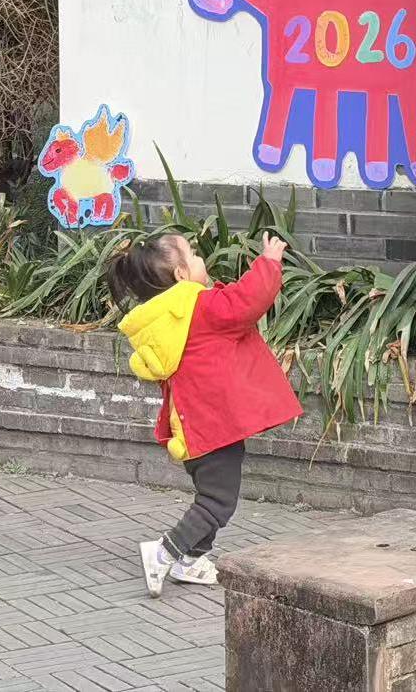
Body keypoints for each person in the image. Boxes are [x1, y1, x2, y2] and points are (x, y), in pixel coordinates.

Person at [111, 231, 302, 597]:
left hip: (195, 427)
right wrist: (268, 263)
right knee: (217, 502)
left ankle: (191, 560)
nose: (202, 259)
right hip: (214, 427)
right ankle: (164, 552)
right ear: (182, 274)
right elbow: (247, 301)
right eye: (194, 254)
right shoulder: (200, 307)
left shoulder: (166, 322)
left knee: (213, 496)